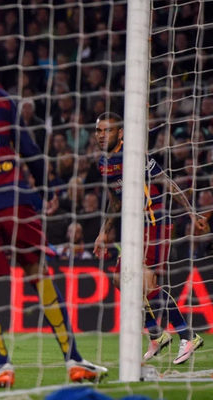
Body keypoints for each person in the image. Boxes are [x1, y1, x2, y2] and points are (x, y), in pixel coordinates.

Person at [0, 30, 106, 389]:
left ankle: (3, 366)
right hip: (14, 199)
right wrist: (49, 191)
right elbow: (30, 149)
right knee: (39, 274)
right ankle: (74, 361)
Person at [93, 112, 205, 365]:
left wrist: (192, 212)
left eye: (107, 130)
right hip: (133, 226)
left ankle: (188, 336)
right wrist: (104, 231)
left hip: (155, 222)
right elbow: (115, 201)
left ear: (120, 133)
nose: (102, 135)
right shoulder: (103, 163)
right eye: (99, 131)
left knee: (145, 281)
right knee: (119, 278)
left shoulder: (134, 157)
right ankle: (157, 335)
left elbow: (168, 184)